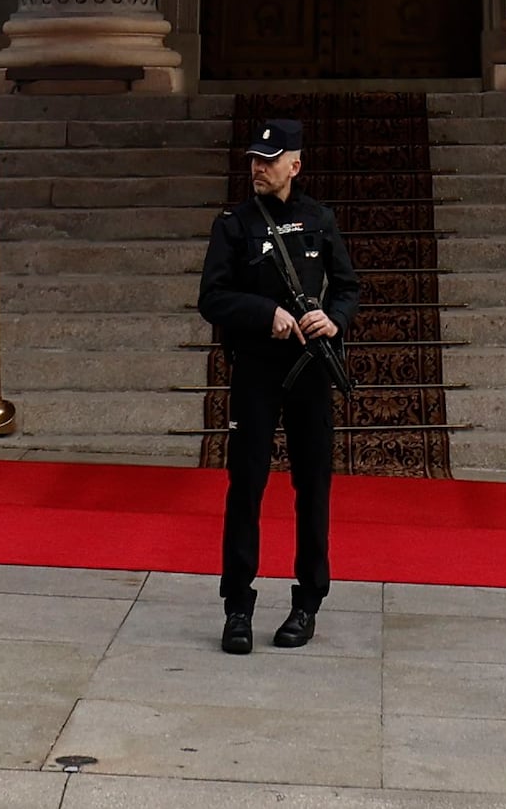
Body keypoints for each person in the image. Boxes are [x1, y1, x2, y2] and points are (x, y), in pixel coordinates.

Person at [196, 110, 358, 652]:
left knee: (312, 486)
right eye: (254, 161)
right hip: (258, 369)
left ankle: (308, 599)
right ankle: (237, 606)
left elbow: (350, 287)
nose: (258, 169)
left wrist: (332, 318)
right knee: (246, 486)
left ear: (295, 164)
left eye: (269, 161)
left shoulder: (319, 219)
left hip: (310, 368)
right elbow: (211, 298)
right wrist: (263, 313)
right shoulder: (234, 224)